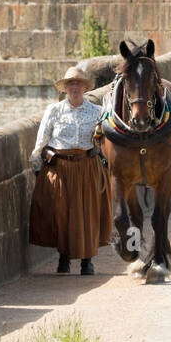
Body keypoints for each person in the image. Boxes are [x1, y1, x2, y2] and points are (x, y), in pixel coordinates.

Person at [28, 66, 113, 274]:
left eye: (78, 83)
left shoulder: (97, 112)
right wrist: (38, 169)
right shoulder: (54, 111)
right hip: (60, 167)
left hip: (86, 166)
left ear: (84, 87)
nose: (74, 87)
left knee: (87, 214)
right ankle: (63, 258)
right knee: (61, 214)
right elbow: (42, 142)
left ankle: (87, 261)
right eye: (70, 84)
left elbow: (106, 143)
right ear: (65, 88)